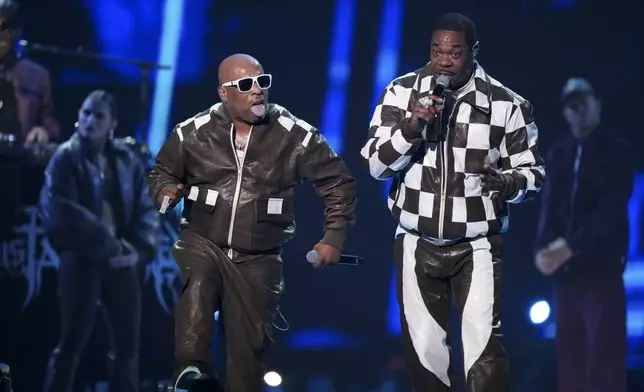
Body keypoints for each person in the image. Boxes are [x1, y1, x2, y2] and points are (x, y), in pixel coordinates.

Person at [148, 53, 357, 391]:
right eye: (246, 85)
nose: (258, 90)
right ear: (223, 93)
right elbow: (162, 171)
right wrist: (164, 189)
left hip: (260, 253)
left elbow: (338, 182)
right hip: (204, 239)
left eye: (263, 82)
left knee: (247, 357)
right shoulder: (193, 132)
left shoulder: (294, 135)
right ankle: (191, 375)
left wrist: (333, 236)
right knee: (199, 285)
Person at [360, 13, 545, 392]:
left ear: (473, 52)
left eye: (454, 52)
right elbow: (376, 166)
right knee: (424, 350)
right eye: (437, 50)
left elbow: (535, 174)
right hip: (416, 240)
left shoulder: (507, 104)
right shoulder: (401, 92)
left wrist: (508, 182)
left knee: (482, 347)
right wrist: (412, 127)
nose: (444, 60)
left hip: (476, 245)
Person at [39, 91, 159, 392]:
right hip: (80, 258)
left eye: (99, 116)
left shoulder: (126, 160)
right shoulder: (65, 156)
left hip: (120, 260)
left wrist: (138, 250)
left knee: (128, 345)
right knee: (72, 340)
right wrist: (107, 243)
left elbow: (146, 208)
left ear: (112, 123)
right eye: (86, 112)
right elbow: (60, 210)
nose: (90, 120)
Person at [535, 77, 633, 392]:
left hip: (601, 268)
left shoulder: (616, 150)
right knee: (571, 359)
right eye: (571, 106)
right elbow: (549, 205)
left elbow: (612, 208)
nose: (577, 111)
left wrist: (572, 245)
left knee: (604, 358)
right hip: (567, 275)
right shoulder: (559, 152)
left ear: (597, 104)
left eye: (583, 103)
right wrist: (542, 248)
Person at [0, 0, 59, 145]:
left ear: (17, 32)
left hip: (18, 160)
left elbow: (50, 122)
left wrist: (43, 131)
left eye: (6, 29)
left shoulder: (37, 75)